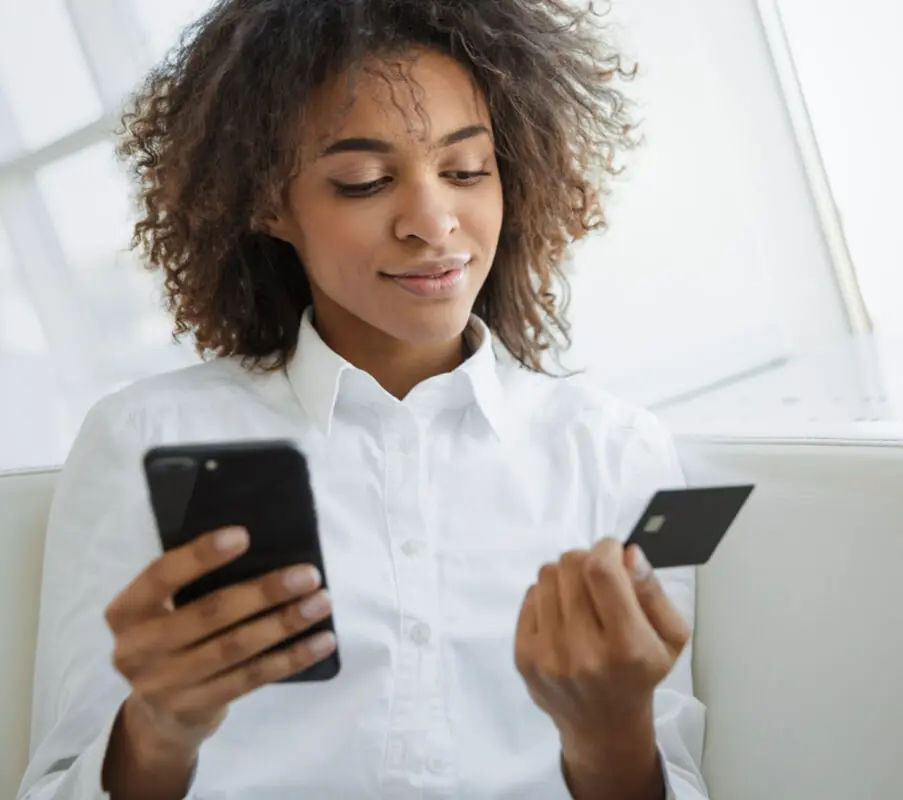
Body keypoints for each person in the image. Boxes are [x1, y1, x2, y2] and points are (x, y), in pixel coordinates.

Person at [18, 1, 707, 798]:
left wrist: (609, 738)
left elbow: (677, 779)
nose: (432, 221)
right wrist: (158, 728)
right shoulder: (143, 437)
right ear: (267, 203)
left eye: (466, 170)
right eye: (364, 182)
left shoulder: (616, 451)